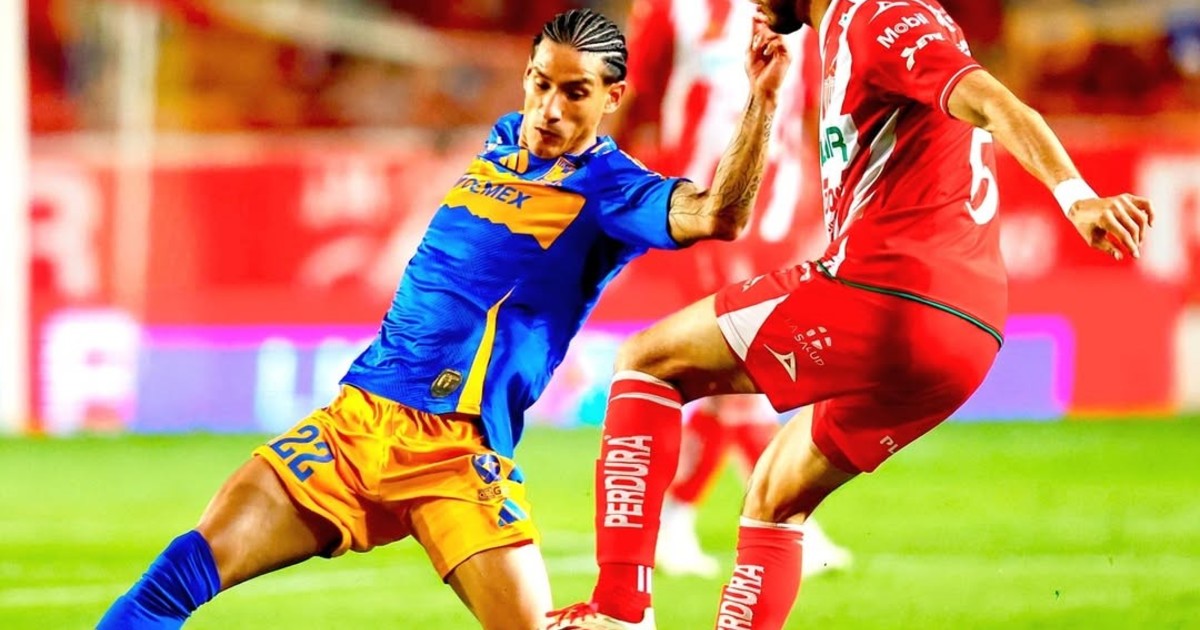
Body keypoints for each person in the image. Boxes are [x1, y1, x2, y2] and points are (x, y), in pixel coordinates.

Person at [96, 8, 791, 630]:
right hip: (354, 423)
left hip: (456, 453)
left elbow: (719, 216)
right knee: (173, 580)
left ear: (612, 97)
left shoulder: (614, 190)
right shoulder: (504, 139)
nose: (548, 109)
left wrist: (760, 102)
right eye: (540, 83)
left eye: (575, 93)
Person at [546, 1, 1155, 628]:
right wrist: (766, 99)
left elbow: (998, 103)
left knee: (647, 362)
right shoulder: (840, 32)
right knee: (775, 497)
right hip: (968, 334)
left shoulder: (879, 15)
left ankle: (619, 610)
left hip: (890, 292)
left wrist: (1077, 197)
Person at [613, 0, 850, 580]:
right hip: (707, 205)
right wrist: (606, 186)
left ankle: (677, 519)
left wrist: (830, 200)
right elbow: (636, 97)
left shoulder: (803, 12)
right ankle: (785, 521)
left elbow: (816, 111)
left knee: (739, 372)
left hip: (779, 212)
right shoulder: (671, 9)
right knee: (739, 360)